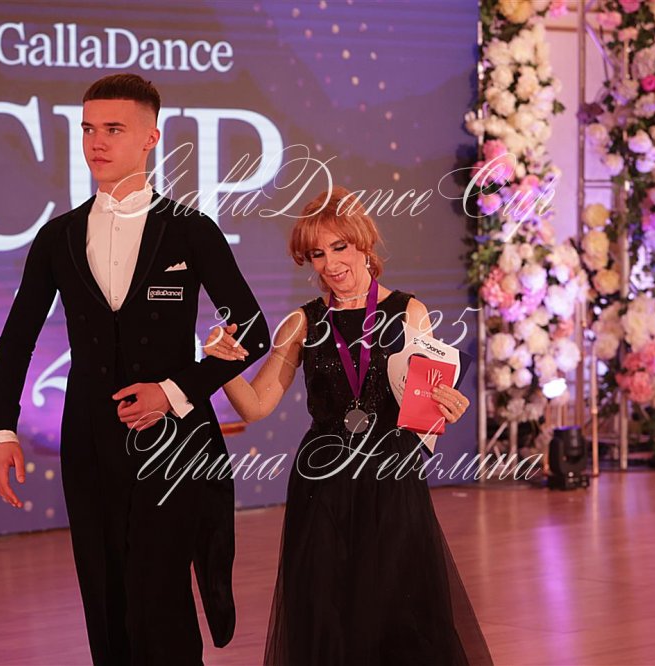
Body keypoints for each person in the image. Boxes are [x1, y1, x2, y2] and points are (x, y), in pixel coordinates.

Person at [0, 73, 269, 665]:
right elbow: (17, 339)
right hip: (88, 441)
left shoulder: (191, 230)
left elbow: (253, 330)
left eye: (113, 129)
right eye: (88, 128)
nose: (97, 141)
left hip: (175, 441)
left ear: (150, 137)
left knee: (160, 597)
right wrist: (2, 431)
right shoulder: (58, 237)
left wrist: (174, 390)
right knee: (105, 593)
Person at [202, 187, 494, 665]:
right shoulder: (301, 323)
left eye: (339, 247)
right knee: (327, 612)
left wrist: (449, 405)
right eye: (317, 253)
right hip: (324, 483)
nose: (330, 264)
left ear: (364, 242)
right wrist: (222, 365)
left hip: (392, 479)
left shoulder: (409, 312)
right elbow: (255, 406)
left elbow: (427, 403)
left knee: (397, 610)